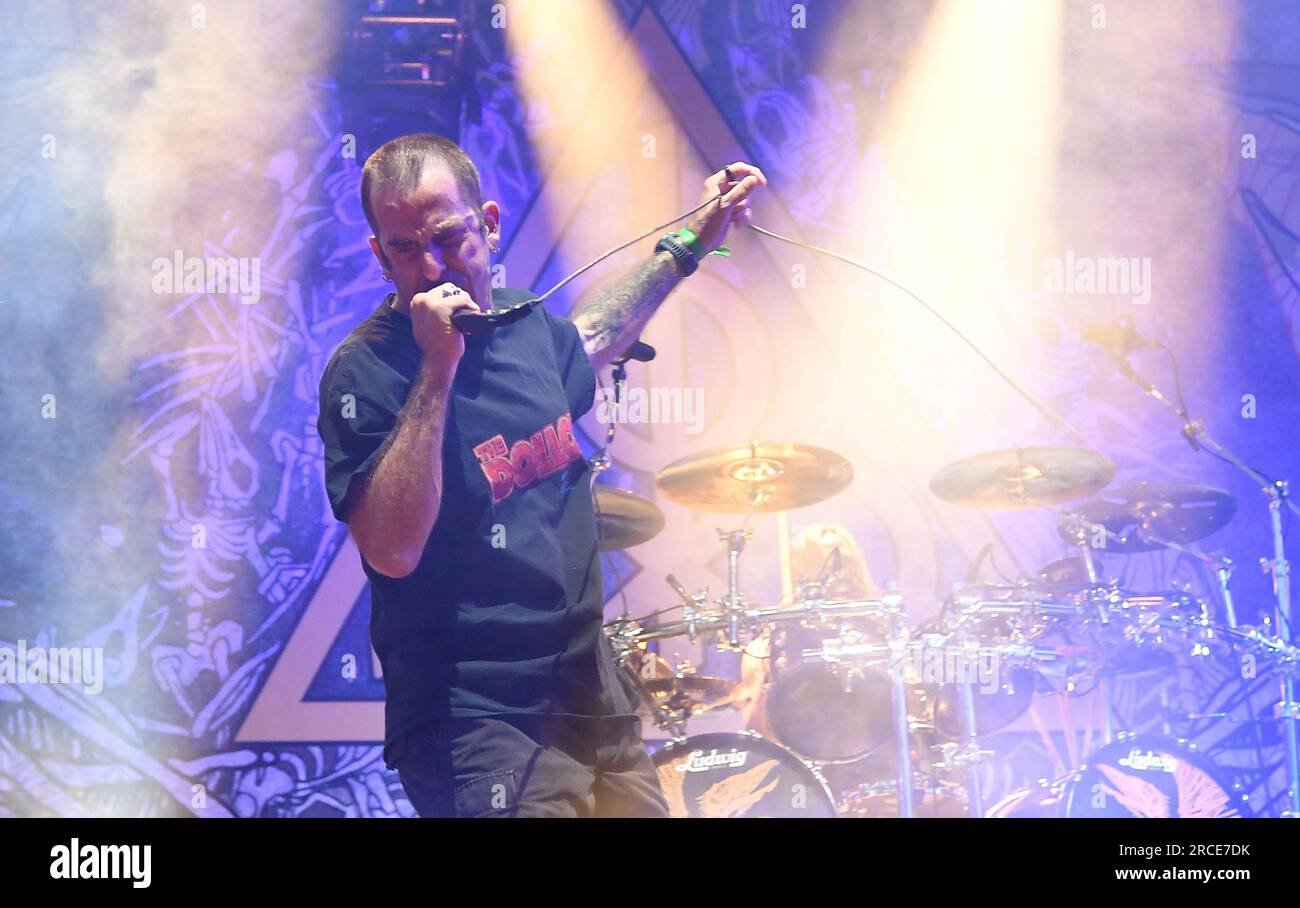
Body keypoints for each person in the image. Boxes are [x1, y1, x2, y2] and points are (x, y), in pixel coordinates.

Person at [315, 133, 766, 817]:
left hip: (591, 696)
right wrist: (439, 367)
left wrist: (687, 244)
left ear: (489, 225)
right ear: (379, 256)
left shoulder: (525, 325)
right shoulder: (365, 372)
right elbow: (392, 549)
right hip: (477, 719)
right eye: (405, 249)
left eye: (448, 237)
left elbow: (589, 337)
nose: (432, 265)